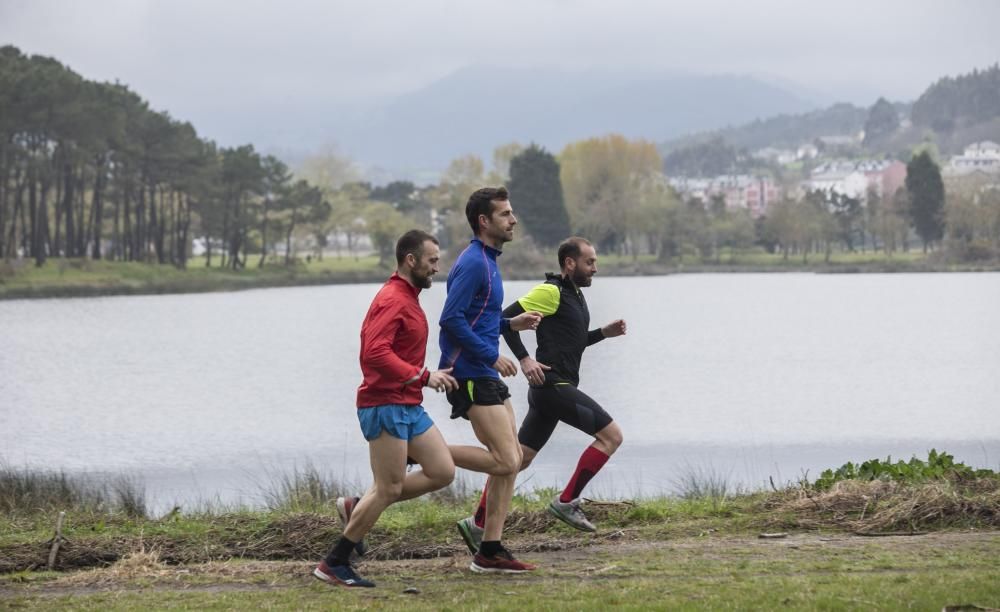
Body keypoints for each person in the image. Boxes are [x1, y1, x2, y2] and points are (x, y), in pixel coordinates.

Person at [456, 236, 627, 554]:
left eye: (595, 262)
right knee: (611, 436)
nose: (595, 268)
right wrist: (524, 359)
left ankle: (478, 522)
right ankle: (567, 501)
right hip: (552, 386)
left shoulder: (575, 295)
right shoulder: (551, 291)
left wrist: (603, 333)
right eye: (589, 262)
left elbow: (572, 341)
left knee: (517, 459)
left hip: (551, 390)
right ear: (569, 263)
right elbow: (501, 321)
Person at [313, 229, 459, 588]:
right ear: (411, 260)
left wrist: (421, 380)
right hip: (385, 404)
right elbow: (374, 354)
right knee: (390, 488)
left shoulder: (408, 296)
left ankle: (357, 505)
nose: (436, 268)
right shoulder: (393, 298)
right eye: (432, 261)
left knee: (442, 470)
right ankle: (335, 562)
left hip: (408, 404)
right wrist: (423, 376)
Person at [439, 186, 543, 573]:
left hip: (484, 370)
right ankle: (421, 452)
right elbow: (451, 319)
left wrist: (508, 324)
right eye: (505, 214)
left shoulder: (488, 260)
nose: (513, 220)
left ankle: (491, 549)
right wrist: (490, 354)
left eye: (511, 213)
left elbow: (478, 318)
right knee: (505, 459)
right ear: (484, 221)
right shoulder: (473, 263)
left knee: (511, 461)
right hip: (471, 372)